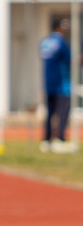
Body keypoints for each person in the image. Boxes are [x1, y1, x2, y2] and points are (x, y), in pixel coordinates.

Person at [40, 15, 73, 153]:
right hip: (61, 84)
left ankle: (46, 140)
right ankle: (60, 139)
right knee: (62, 112)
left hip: (48, 83)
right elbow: (69, 58)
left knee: (50, 113)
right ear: (58, 27)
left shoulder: (44, 42)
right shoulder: (61, 42)